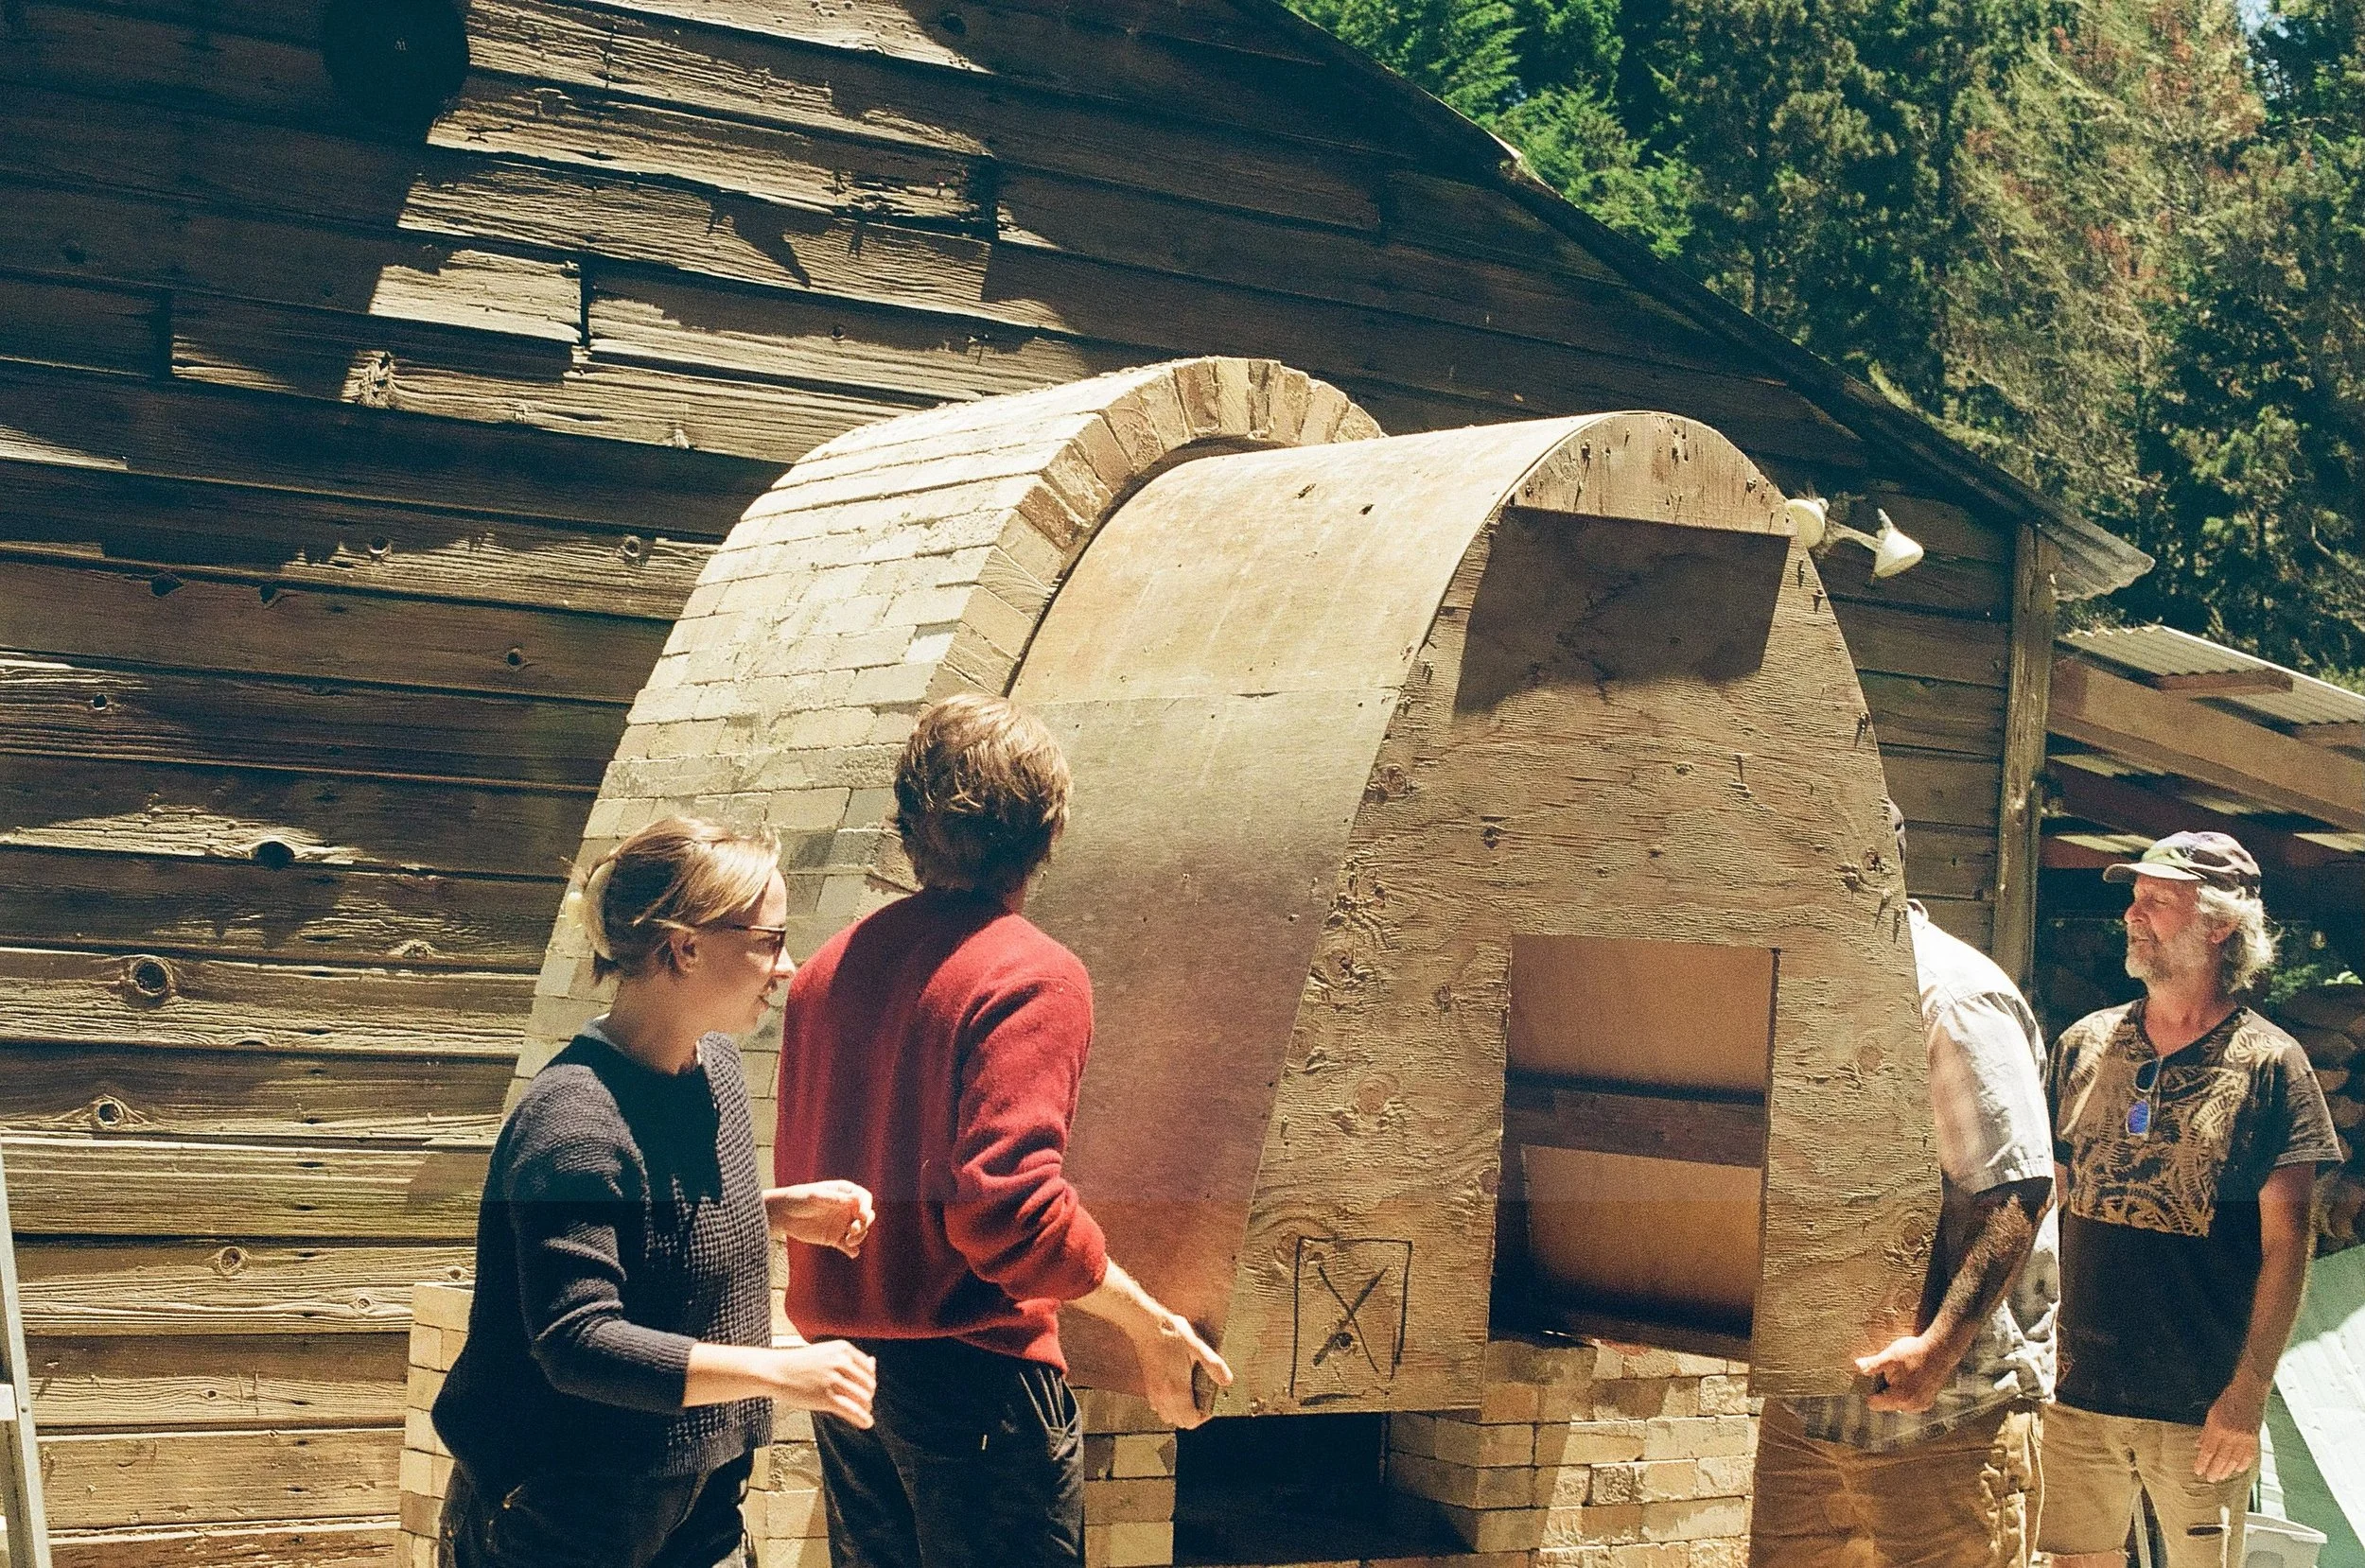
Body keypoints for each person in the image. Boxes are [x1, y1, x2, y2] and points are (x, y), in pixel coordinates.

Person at [774, 693, 1234, 1568]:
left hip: (848, 1379)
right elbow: (1005, 1211)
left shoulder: (827, 971)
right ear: (1049, 830)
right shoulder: (1030, 975)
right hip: (978, 1389)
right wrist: (1149, 1326)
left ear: (907, 824)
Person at [434, 817, 881, 1568]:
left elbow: (639, 1229)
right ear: (685, 948)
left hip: (701, 1492)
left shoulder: (716, 1071)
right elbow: (578, 1341)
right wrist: (780, 1369)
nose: (788, 966)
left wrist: (769, 1211)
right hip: (565, 1510)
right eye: (769, 940)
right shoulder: (572, 1121)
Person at [1750, 802, 2058, 1568]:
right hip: (1810, 1409)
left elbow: (2017, 1190)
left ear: (1871, 868)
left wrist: (1938, 1350)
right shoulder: (1801, 986)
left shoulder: (1951, 996)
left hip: (1946, 1416)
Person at [2041, 831, 2339, 1568]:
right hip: (2075, 1393)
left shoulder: (2273, 1066)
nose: (2132, 914)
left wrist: (2248, 1393)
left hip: (2201, 1405)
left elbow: (2287, 1246)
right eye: (2135, 898)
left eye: (2157, 901)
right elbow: (2044, 1205)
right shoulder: (2083, 1045)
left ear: (2221, 925)